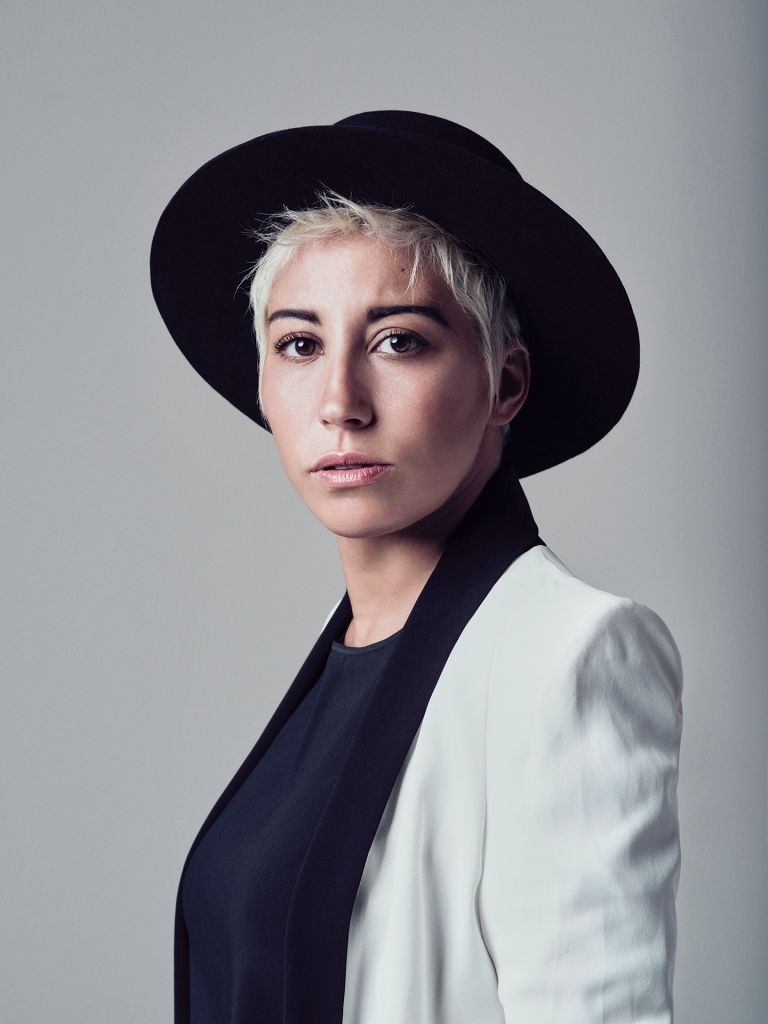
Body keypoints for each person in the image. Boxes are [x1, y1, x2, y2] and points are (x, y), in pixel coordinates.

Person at [150, 110, 684, 1024]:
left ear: (504, 383)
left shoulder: (570, 652)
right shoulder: (346, 658)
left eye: (398, 340)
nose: (340, 402)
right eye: (300, 344)